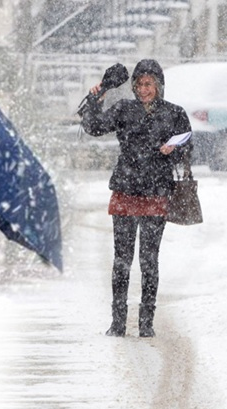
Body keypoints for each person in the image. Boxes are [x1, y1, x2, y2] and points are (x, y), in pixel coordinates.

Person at [81, 59, 191, 338]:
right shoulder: (123, 109)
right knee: (122, 259)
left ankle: (146, 322)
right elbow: (94, 127)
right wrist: (96, 98)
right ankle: (118, 322)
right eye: (139, 84)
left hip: (156, 192)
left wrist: (172, 151)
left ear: (159, 85)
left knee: (149, 260)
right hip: (127, 190)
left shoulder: (174, 113)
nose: (143, 90)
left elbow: (187, 148)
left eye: (148, 84)